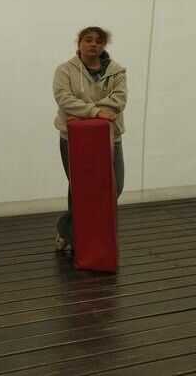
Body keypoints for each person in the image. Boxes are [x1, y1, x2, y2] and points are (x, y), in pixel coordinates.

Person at [53, 26, 127, 251]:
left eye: (98, 41)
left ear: (104, 45)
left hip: (110, 137)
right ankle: (76, 237)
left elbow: (118, 100)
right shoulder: (65, 70)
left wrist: (85, 110)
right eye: (88, 40)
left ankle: (67, 229)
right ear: (79, 43)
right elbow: (64, 100)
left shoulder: (117, 71)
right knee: (79, 188)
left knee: (115, 187)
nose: (93, 44)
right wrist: (96, 112)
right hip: (74, 138)